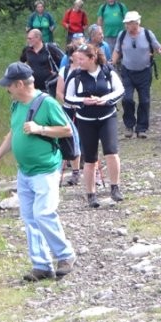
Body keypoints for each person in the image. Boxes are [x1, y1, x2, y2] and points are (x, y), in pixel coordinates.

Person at [0, 62, 77, 281]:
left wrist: (40, 129)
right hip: (24, 172)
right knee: (29, 218)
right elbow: (13, 132)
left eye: (9, 85)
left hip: (45, 170)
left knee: (43, 214)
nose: (6, 89)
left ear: (19, 84)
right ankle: (41, 265)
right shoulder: (16, 105)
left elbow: (66, 130)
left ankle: (65, 255)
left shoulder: (47, 103)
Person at [65, 43, 126, 207]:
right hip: (85, 121)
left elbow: (120, 90)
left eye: (81, 59)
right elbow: (67, 98)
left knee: (111, 152)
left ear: (92, 58)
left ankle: (115, 188)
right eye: (77, 59)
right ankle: (91, 195)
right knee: (90, 159)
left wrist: (105, 99)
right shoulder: (75, 75)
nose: (78, 62)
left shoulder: (107, 71)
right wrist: (83, 101)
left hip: (107, 117)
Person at [112, 11, 161, 138]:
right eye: (126, 23)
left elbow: (157, 46)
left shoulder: (147, 34)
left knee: (144, 100)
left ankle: (142, 128)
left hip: (144, 72)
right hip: (127, 71)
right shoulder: (122, 35)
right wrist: (112, 63)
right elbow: (117, 50)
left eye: (129, 23)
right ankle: (129, 126)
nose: (127, 25)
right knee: (127, 99)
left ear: (136, 23)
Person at [56, 37, 87, 187]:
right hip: (68, 109)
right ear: (71, 56)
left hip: (85, 108)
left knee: (83, 137)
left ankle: (82, 167)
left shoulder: (87, 69)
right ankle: (74, 172)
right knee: (70, 139)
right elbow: (59, 92)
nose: (79, 54)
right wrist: (69, 102)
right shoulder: (65, 70)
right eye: (76, 52)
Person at [20, 29, 65, 94]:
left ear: (38, 38)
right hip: (33, 86)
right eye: (27, 38)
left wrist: (57, 72)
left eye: (30, 38)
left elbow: (64, 59)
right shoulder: (27, 50)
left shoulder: (49, 48)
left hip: (49, 85)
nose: (28, 41)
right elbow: (22, 62)